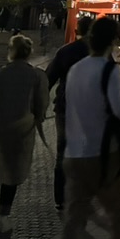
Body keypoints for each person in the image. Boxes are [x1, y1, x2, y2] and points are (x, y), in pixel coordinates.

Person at [60, 16, 120, 239]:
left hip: (73, 154)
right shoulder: (109, 70)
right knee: (117, 214)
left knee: (73, 218)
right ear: (113, 40)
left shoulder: (74, 70)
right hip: (103, 156)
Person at [0, 34, 50, 234]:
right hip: (22, 129)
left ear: (11, 51)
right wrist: (37, 117)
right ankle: (4, 217)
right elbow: (41, 104)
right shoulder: (37, 76)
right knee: (12, 171)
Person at [46, 16, 92, 215]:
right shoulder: (99, 54)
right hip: (90, 111)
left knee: (63, 153)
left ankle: (61, 199)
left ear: (76, 31)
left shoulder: (65, 52)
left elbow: (48, 79)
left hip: (66, 107)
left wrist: (39, 106)